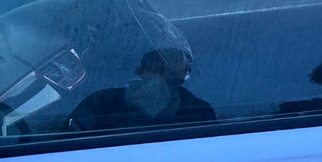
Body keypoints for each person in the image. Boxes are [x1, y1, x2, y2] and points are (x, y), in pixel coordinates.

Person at [69, 47, 215, 131]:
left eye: (163, 71)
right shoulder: (99, 103)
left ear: (181, 78)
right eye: (151, 69)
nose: (156, 79)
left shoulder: (198, 112)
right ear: (138, 71)